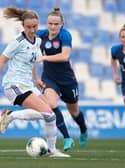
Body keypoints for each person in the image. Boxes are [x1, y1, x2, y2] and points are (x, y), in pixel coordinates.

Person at [0, 6, 70, 157]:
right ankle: (9, 116)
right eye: (28, 27)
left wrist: (37, 78)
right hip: (14, 85)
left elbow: (33, 61)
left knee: (51, 115)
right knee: (49, 115)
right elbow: (2, 60)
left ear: (38, 25)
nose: (32, 30)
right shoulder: (17, 41)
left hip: (28, 85)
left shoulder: (38, 40)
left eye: (35, 26)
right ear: (23, 26)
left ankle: (52, 150)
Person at [35, 8, 87, 148]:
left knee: (74, 112)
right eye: (50, 23)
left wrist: (44, 57)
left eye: (56, 24)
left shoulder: (65, 35)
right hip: (49, 78)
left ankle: (83, 130)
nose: (53, 27)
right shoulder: (41, 35)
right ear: (47, 23)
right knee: (51, 105)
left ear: (62, 24)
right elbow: (26, 36)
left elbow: (65, 56)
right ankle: (67, 138)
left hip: (67, 80)